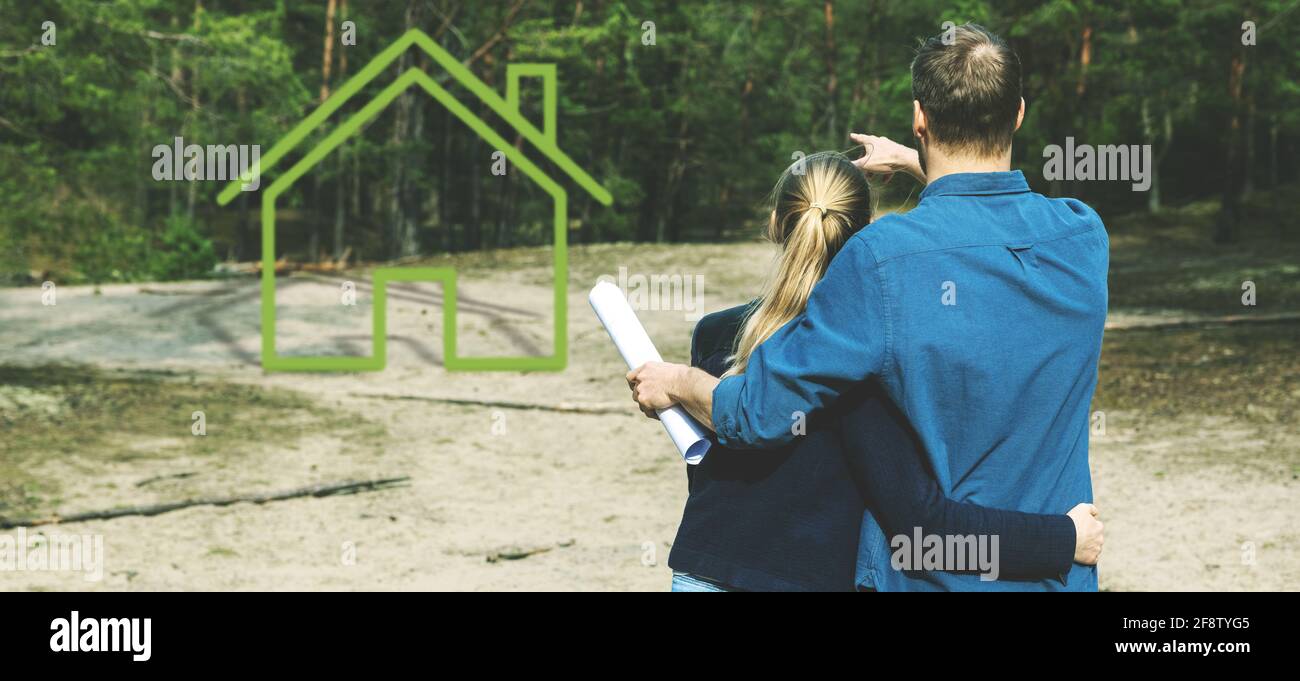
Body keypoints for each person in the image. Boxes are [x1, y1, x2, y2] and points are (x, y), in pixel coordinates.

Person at [630, 24, 1109, 591]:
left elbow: (759, 411)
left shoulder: (880, 261)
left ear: (919, 117)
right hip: (1061, 572)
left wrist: (680, 381)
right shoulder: (1082, 237)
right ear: (1019, 113)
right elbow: (990, 209)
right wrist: (917, 161)